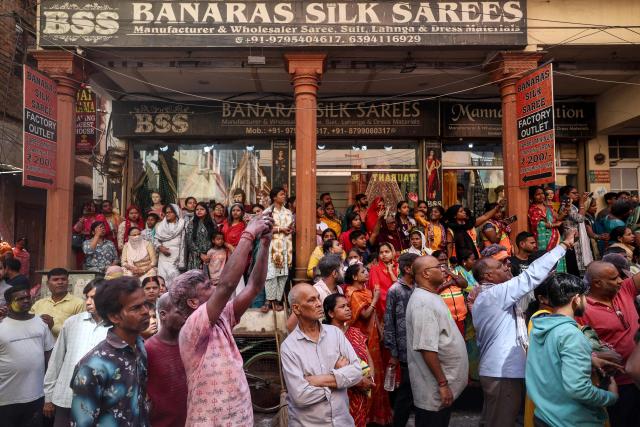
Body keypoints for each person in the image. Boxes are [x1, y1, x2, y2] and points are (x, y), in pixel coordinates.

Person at [171, 214, 273, 426]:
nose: (215, 287)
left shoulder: (222, 316)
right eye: (207, 287)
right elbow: (227, 286)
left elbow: (254, 286)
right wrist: (248, 234)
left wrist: (264, 245)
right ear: (192, 302)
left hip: (240, 418)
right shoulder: (192, 326)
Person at [470, 230, 576, 427]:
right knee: (501, 422)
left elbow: (528, 289)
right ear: (488, 275)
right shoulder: (493, 295)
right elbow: (529, 278)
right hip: (503, 373)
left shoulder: (495, 295)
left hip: (502, 371)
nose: (506, 266)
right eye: (500, 266)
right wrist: (563, 246)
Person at [526, 273, 619, 427]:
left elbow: (549, 362)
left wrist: (589, 359)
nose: (586, 302)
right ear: (576, 299)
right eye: (585, 297)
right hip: (571, 421)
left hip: (545, 416)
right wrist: (610, 396)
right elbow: (578, 389)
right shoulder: (571, 334)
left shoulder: (539, 325)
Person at [70, 276, 151, 426]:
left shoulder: (140, 347)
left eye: (146, 304)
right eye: (136, 308)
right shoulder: (93, 367)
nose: (146, 311)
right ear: (114, 317)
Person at [281, 283, 362, 426]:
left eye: (318, 298)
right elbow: (300, 396)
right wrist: (339, 379)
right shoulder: (289, 347)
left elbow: (356, 372)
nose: (319, 303)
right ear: (296, 308)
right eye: (311, 300)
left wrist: (317, 380)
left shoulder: (335, 334)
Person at [406, 255, 469, 426]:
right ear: (426, 273)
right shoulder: (423, 302)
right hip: (434, 392)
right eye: (438, 267)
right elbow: (427, 348)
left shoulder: (431, 296)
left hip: (440, 389)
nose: (443, 270)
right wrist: (442, 384)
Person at [577, 261, 640, 426]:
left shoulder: (624, 290)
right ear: (597, 283)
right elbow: (581, 348)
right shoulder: (582, 309)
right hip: (615, 386)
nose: (620, 280)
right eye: (614, 278)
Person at [43, 280, 109, 427]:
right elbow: (56, 360)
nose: (88, 302)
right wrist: (48, 396)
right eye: (87, 297)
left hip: (99, 400)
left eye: (94, 298)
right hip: (66, 397)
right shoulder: (72, 323)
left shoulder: (116, 326)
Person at [0, 283, 55, 427]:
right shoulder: (1, 325)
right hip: (6, 398)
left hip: (36, 396)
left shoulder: (41, 323)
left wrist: (49, 388)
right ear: (8, 303)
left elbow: (49, 353)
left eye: (28, 297)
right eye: (20, 299)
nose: (26, 300)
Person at [343, 263, 392, 425]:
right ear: (355, 277)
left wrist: (380, 331)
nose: (367, 273)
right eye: (363, 272)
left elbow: (375, 315)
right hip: (360, 337)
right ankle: (364, 416)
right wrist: (376, 299)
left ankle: (375, 416)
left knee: (376, 373)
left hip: (373, 336)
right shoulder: (353, 293)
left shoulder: (367, 291)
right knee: (366, 372)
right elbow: (364, 315)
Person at [324, 293, 375, 427]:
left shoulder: (355, 332)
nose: (348, 309)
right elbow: (329, 368)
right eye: (342, 306)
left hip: (363, 391)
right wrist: (358, 382)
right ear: (331, 313)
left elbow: (367, 356)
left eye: (348, 306)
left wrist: (371, 379)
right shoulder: (326, 336)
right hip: (343, 393)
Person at [384, 252, 419, 427]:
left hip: (420, 347)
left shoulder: (419, 288)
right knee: (405, 394)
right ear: (407, 268)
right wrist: (393, 352)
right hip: (405, 350)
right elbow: (389, 322)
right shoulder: (395, 290)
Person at [144, 293, 188, 427]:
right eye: (180, 312)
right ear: (163, 315)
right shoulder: (148, 349)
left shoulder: (189, 344)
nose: (186, 316)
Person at [31, 268, 84, 338]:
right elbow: (29, 326)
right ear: (47, 283)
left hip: (65, 347)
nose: (60, 282)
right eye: (55, 280)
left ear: (68, 282)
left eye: (63, 279)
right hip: (40, 346)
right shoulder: (38, 304)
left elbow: (81, 331)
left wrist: (53, 327)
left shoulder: (79, 303)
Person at [265, 187, 293, 311]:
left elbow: (289, 228)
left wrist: (290, 230)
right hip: (272, 248)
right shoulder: (268, 211)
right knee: (271, 274)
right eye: (281, 194)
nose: (284, 196)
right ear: (274, 197)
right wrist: (279, 229)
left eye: (284, 194)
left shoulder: (288, 212)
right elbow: (263, 229)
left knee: (283, 275)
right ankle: (268, 300)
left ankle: (277, 300)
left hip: (286, 247)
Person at [559, 185, 593, 275]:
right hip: (571, 240)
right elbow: (580, 218)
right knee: (573, 267)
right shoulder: (566, 207)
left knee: (577, 267)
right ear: (566, 195)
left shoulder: (573, 206)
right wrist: (582, 203)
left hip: (576, 239)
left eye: (577, 193)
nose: (577, 195)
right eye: (574, 193)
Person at [528, 186, 564, 267]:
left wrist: (566, 208)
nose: (541, 196)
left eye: (542, 194)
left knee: (557, 259)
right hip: (543, 241)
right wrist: (554, 225)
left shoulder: (548, 207)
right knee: (546, 261)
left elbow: (558, 217)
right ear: (532, 196)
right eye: (538, 194)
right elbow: (539, 224)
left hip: (555, 237)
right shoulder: (533, 209)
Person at [154, 204, 186, 287]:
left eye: (170, 212)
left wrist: (181, 259)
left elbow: (184, 243)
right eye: (166, 212)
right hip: (163, 256)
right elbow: (155, 240)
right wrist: (160, 247)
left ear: (176, 213)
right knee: (162, 279)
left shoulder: (182, 225)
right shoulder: (160, 226)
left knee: (175, 280)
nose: (167, 214)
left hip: (176, 256)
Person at [368, 242, 398, 316]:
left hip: (399, 303)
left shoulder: (398, 267)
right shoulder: (375, 268)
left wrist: (390, 272)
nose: (384, 254)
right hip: (383, 305)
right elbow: (375, 288)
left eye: (387, 252)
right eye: (381, 252)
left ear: (392, 252)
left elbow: (400, 287)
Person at [185, 202, 215, 270]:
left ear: (206, 211)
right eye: (197, 209)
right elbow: (190, 241)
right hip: (195, 256)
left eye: (202, 209)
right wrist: (200, 254)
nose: (199, 211)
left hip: (210, 255)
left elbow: (215, 238)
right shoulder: (191, 224)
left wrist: (210, 253)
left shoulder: (212, 223)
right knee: (196, 278)